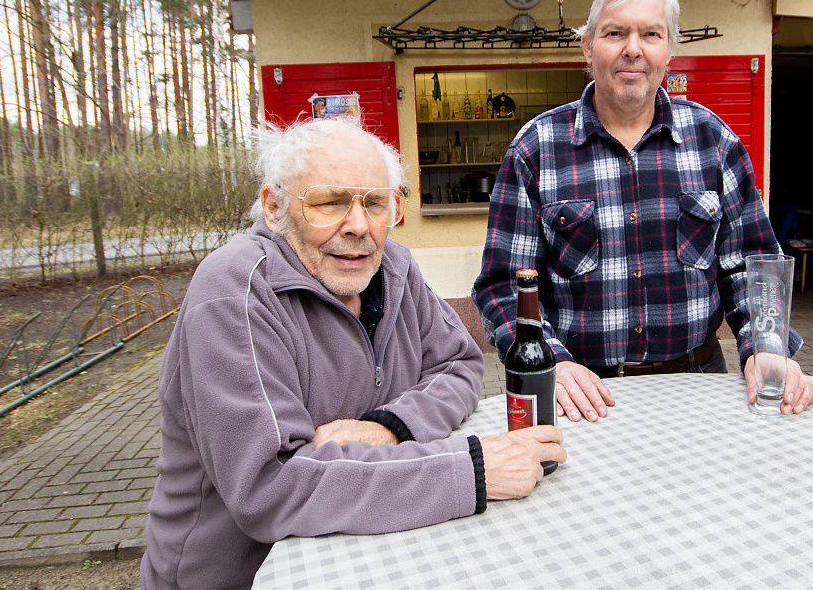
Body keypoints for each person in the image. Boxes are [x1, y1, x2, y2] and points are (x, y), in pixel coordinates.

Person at [141, 118, 565, 589]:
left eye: (376, 203)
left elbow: (460, 364)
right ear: (274, 206)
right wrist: (470, 470)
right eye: (330, 202)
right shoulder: (235, 293)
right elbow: (270, 486)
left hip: (368, 557)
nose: (359, 226)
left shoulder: (397, 268)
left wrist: (389, 426)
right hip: (241, 576)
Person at [473, 0, 813, 423]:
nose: (632, 48)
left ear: (669, 49)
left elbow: (751, 266)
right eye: (614, 32)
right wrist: (551, 360)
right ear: (587, 47)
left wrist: (767, 348)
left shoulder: (715, 142)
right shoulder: (536, 149)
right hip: (581, 398)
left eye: (650, 33)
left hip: (700, 385)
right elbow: (502, 285)